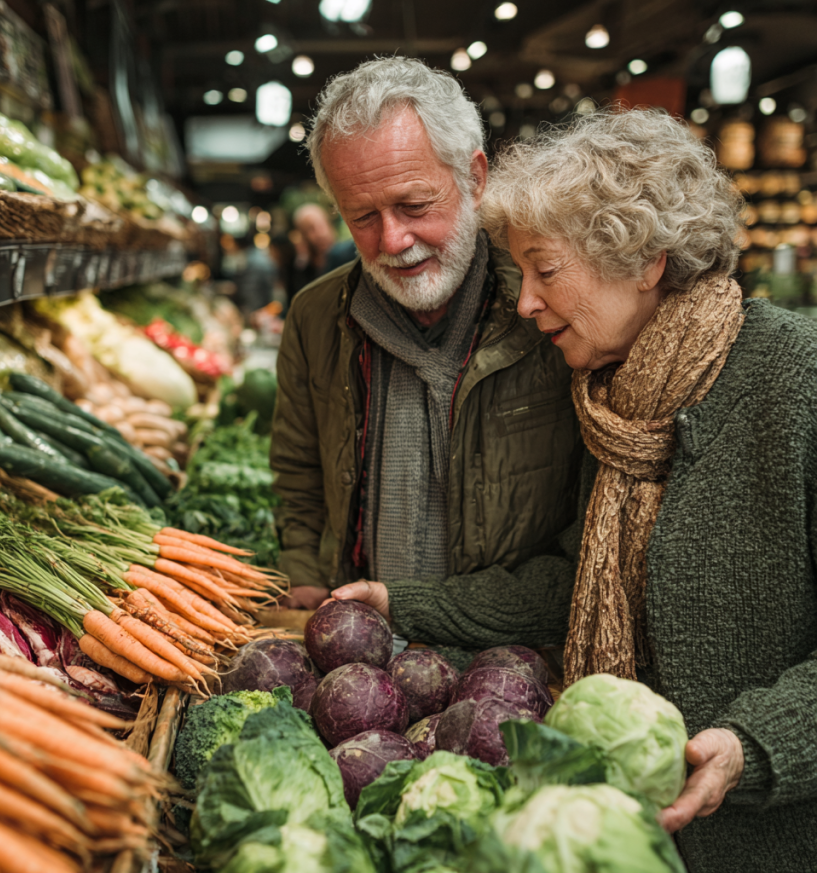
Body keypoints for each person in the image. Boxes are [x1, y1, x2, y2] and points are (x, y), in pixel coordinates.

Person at [481, 107, 817, 873]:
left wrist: (750, 746)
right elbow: (572, 582)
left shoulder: (796, 380)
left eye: (545, 268)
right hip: (622, 842)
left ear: (645, 261)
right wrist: (399, 602)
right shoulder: (611, 402)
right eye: (518, 273)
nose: (526, 301)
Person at [270, 57, 582, 660]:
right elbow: (298, 467)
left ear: (475, 177)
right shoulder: (314, 318)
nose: (393, 242)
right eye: (362, 216)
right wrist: (303, 569)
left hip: (517, 663)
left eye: (414, 205)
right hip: (365, 662)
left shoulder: (550, 308)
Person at [292, 202, 357, 281]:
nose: (320, 234)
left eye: (321, 225)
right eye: (310, 229)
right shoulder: (303, 270)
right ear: (303, 236)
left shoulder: (350, 255)